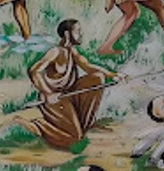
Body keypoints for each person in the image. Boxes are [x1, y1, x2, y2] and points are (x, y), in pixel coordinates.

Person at [17, 20, 117, 151]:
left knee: (97, 78)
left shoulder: (72, 52)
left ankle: (85, 124)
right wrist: (48, 93)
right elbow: (34, 70)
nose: (81, 34)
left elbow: (88, 67)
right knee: (75, 138)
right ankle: (35, 125)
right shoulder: (55, 52)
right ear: (67, 34)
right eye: (78, 31)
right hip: (53, 100)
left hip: (67, 96)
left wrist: (113, 75)